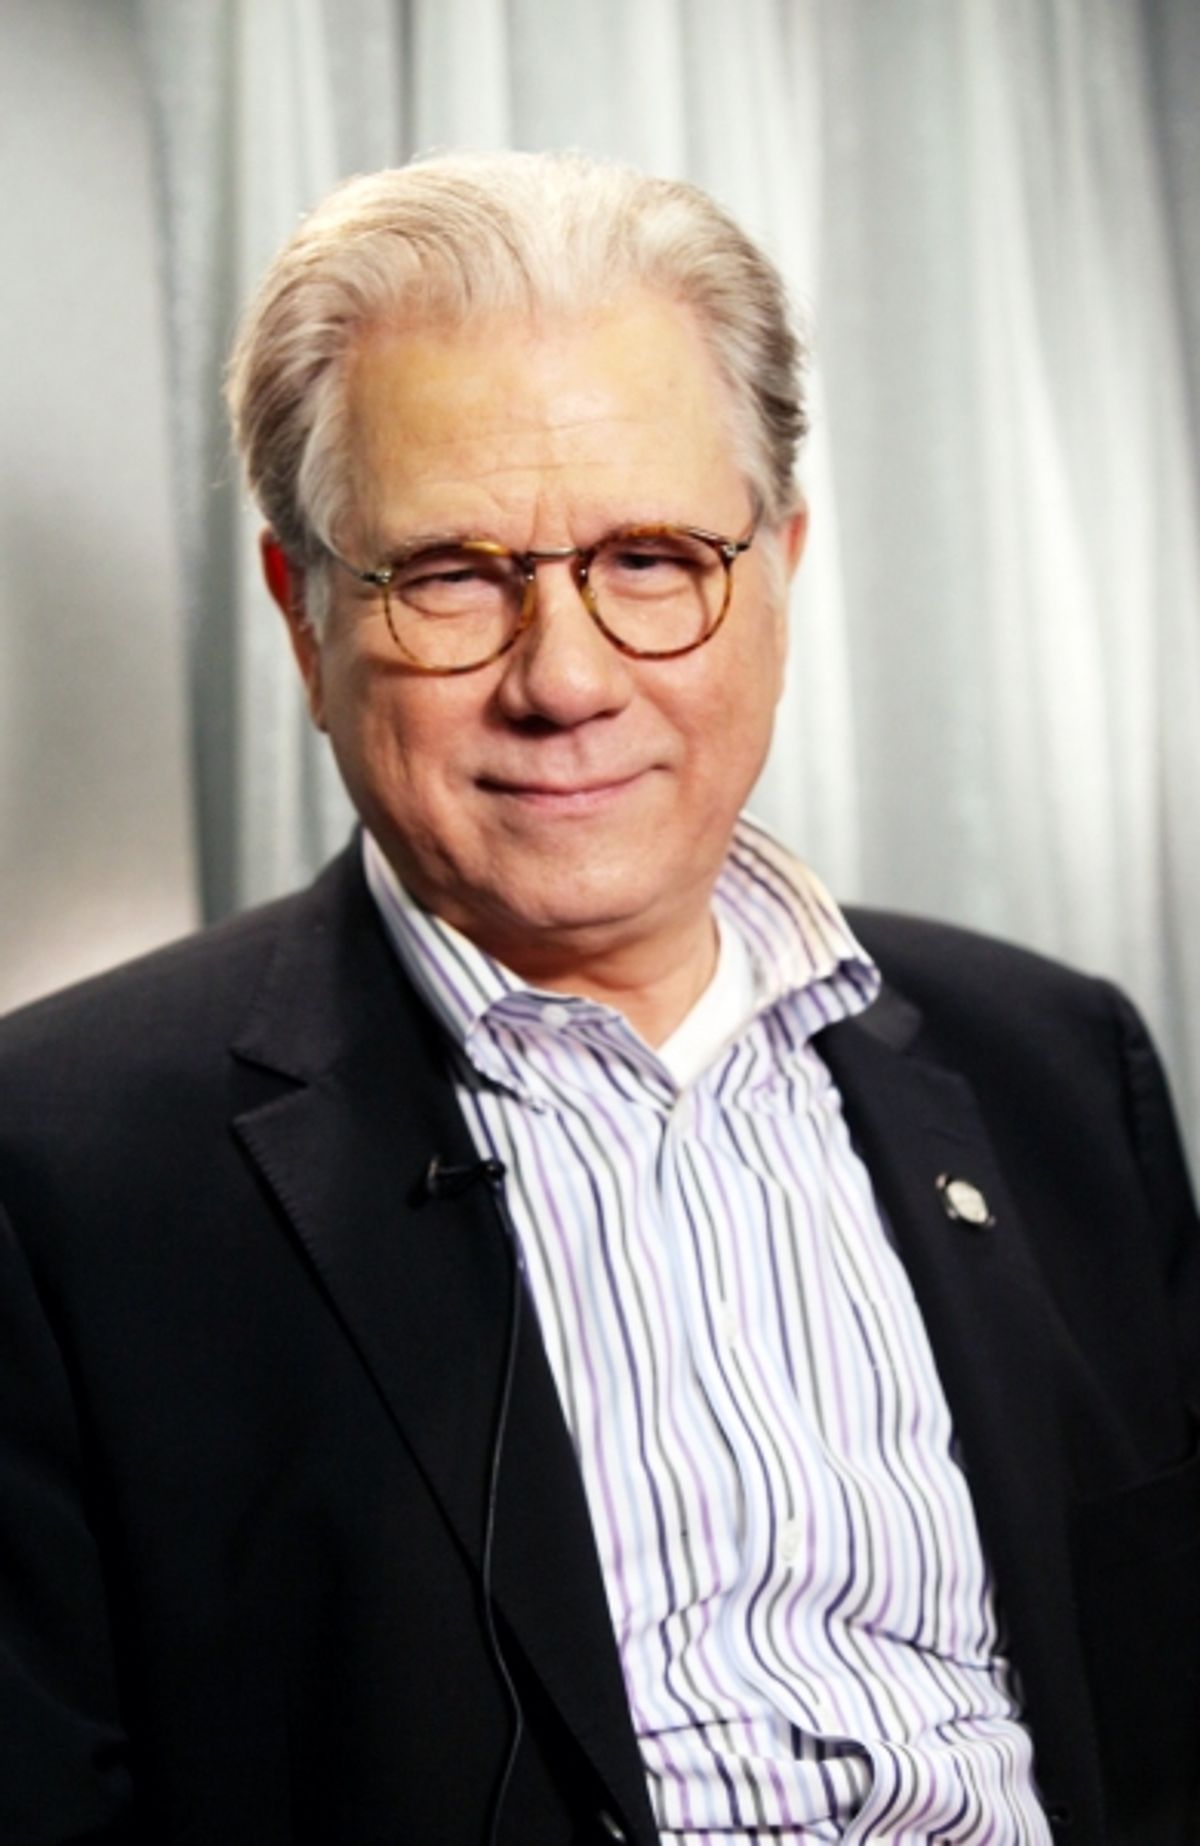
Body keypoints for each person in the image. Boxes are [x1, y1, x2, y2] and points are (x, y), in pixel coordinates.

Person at [0, 150, 1196, 1846]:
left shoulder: (1064, 1067)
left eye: (652, 557)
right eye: (450, 575)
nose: (563, 679)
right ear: (303, 614)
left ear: (779, 567)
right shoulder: (56, 1172)